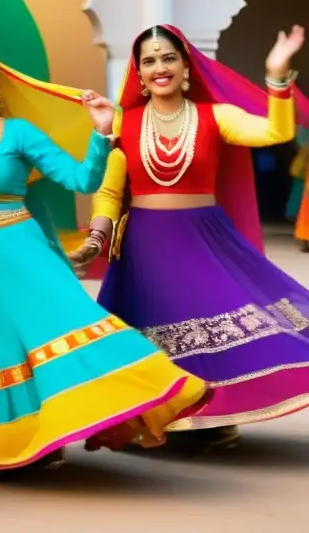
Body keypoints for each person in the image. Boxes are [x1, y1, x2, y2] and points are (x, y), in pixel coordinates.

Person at [0, 40, 208, 480]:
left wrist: (102, 133)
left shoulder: (19, 133)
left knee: (51, 340)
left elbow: (81, 178)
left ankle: (45, 440)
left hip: (23, 257)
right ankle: (2, 447)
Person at [71, 24, 309, 450]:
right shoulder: (123, 122)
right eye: (148, 61)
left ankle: (212, 416)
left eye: (168, 58)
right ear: (138, 73)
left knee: (216, 322)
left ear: (185, 67)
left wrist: (276, 72)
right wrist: (95, 239)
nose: (159, 68)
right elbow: (109, 192)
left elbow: (276, 133)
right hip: (144, 247)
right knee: (153, 330)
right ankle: (160, 420)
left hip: (203, 240)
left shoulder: (215, 115)